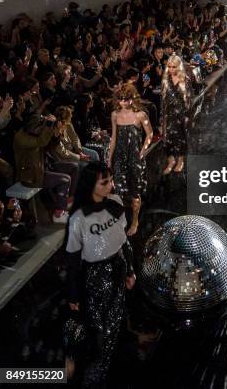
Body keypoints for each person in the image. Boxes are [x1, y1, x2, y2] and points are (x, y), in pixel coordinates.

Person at [65, 162, 136, 388]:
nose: (112, 185)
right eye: (104, 182)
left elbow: (124, 241)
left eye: (111, 179)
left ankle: (107, 368)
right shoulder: (78, 219)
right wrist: (73, 294)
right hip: (95, 277)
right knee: (97, 328)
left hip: (119, 267)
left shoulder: (115, 203)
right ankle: (90, 371)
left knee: (114, 321)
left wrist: (130, 269)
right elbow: (73, 261)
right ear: (90, 185)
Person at [108, 84, 152, 208]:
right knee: (119, 189)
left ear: (132, 98)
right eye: (121, 99)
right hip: (119, 155)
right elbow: (114, 137)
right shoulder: (114, 115)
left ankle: (135, 221)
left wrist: (142, 152)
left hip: (135, 156)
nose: (123, 102)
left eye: (126, 99)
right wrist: (110, 159)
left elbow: (150, 134)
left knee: (135, 191)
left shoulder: (141, 115)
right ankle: (121, 219)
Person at [161, 54, 191, 174]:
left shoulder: (185, 80)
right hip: (168, 113)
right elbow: (162, 100)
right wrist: (161, 118)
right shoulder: (165, 80)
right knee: (167, 139)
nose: (171, 69)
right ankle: (171, 161)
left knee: (180, 138)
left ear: (179, 66)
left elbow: (189, 100)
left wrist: (187, 117)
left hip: (181, 114)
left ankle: (180, 161)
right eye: (169, 66)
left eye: (174, 67)